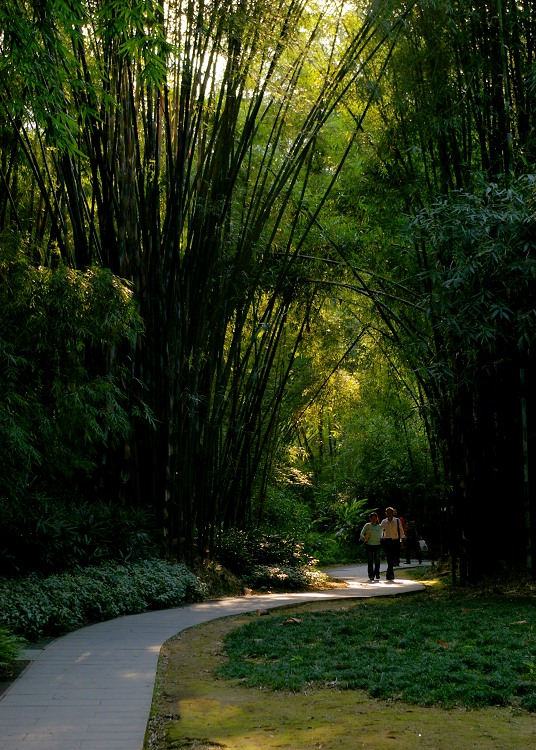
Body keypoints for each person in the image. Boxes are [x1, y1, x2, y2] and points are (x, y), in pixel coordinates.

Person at [380, 506, 405, 580]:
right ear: (386, 514)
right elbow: (380, 531)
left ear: (393, 513)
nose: (389, 514)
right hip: (387, 541)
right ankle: (390, 574)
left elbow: (401, 532)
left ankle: (389, 573)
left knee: (393, 558)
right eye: (388, 513)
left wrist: (401, 542)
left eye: (390, 513)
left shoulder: (397, 521)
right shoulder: (384, 522)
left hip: (395, 541)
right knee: (389, 557)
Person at [360, 512, 382, 581]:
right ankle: (371, 575)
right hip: (369, 545)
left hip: (377, 545)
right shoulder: (367, 525)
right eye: (372, 519)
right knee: (370, 561)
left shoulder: (380, 526)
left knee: (377, 560)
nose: (373, 520)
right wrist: (364, 538)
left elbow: (382, 534)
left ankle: (377, 573)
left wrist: (382, 538)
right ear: (370, 519)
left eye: (374, 519)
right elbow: (362, 533)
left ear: (377, 519)